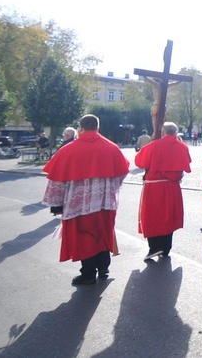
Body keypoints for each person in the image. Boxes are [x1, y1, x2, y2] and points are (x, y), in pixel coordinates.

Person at [42, 114, 130, 285]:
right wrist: (110, 188)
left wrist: (56, 205)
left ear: (80, 129)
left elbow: (56, 181)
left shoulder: (68, 149)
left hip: (78, 204)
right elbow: (122, 172)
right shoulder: (111, 147)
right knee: (103, 231)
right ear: (98, 128)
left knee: (85, 237)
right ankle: (104, 267)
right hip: (105, 202)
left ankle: (88, 273)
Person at [134, 121, 192, 260]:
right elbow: (187, 162)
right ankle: (166, 248)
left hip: (155, 186)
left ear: (163, 133)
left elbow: (140, 162)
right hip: (173, 186)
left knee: (153, 217)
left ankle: (155, 247)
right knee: (169, 217)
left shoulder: (154, 145)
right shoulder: (182, 146)